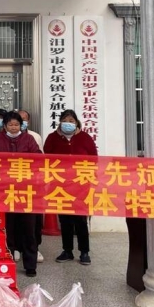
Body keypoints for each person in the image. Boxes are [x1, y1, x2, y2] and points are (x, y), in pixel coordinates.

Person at [0, 111, 42, 277]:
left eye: (16, 124)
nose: (14, 127)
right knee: (8, 229)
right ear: (4, 126)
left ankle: (30, 265)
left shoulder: (29, 139)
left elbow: (38, 157)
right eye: (10, 124)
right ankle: (6, 262)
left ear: (21, 125)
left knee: (28, 229)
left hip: (26, 190)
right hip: (4, 191)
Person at [43, 109, 98, 266]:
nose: (68, 123)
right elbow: (47, 157)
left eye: (71, 121)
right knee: (65, 220)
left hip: (81, 186)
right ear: (60, 122)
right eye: (65, 121)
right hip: (61, 185)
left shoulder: (85, 138)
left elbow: (94, 159)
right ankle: (67, 250)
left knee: (81, 220)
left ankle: (84, 251)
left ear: (76, 122)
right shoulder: (52, 138)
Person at [18, 109, 45, 263]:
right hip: (13, 185)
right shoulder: (4, 137)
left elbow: (41, 158)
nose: (21, 122)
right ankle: (15, 247)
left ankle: (34, 248)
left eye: (24, 119)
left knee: (32, 221)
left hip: (32, 184)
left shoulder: (35, 137)